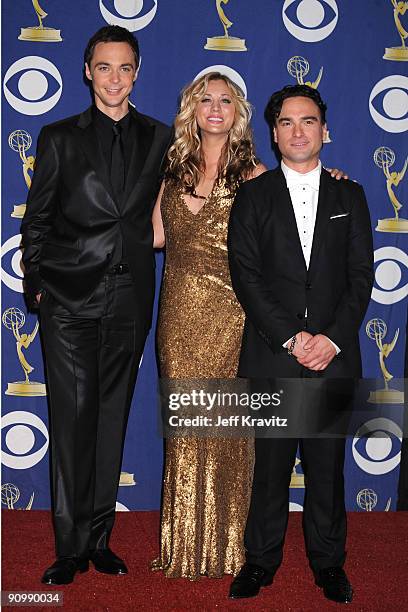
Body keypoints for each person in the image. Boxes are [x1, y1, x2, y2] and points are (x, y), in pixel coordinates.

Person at [21, 25, 171, 585]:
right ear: (88, 72)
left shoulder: (160, 138)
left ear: (136, 72)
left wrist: (315, 179)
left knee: (111, 423)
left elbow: (211, 178)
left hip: (129, 300)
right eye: (103, 67)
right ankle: (68, 545)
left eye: (124, 67)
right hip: (67, 301)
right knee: (71, 422)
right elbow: (35, 221)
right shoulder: (58, 137)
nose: (113, 78)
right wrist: (37, 286)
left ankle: (100, 539)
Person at [228, 84, 373, 603]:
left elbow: (361, 277)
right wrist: (293, 338)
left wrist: (330, 340)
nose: (297, 130)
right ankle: (260, 563)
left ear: (324, 130)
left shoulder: (350, 195)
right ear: (274, 133)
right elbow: (246, 276)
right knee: (268, 469)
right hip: (274, 352)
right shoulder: (253, 195)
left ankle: (329, 564)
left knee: (327, 470)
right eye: (286, 122)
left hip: (334, 357)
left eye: (307, 121)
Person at [151, 72, 267, 579]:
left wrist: (333, 183)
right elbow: (153, 236)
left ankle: (230, 550)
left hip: (233, 313)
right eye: (205, 100)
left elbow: (285, 232)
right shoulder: (173, 170)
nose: (215, 108)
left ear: (237, 111)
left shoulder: (254, 174)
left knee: (224, 429)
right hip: (177, 313)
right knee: (185, 428)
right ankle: (182, 548)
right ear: (191, 110)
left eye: (225, 100)